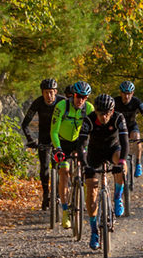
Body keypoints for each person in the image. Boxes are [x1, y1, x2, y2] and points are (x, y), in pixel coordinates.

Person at [78, 93, 128, 250]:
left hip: (113, 149)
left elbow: (125, 142)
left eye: (107, 113)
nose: (104, 117)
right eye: (101, 113)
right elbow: (81, 145)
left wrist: (120, 163)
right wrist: (85, 165)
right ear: (96, 112)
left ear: (112, 112)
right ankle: (94, 231)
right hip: (94, 154)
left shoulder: (119, 118)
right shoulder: (89, 120)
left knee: (122, 162)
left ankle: (118, 197)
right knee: (91, 192)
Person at [50, 80, 94, 228]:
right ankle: (64, 211)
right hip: (63, 142)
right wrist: (58, 148)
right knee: (64, 171)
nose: (80, 99)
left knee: (87, 168)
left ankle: (86, 198)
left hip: (80, 142)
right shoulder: (61, 106)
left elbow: (94, 132)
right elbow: (54, 131)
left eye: (84, 97)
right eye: (78, 96)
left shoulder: (89, 108)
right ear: (73, 95)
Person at [22, 78, 63, 210]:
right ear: (42, 93)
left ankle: (57, 193)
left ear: (55, 92)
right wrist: (30, 140)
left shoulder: (63, 102)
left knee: (59, 167)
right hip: (44, 137)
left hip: (59, 138)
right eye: (46, 92)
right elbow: (25, 124)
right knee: (45, 167)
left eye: (51, 92)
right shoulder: (38, 102)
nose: (49, 95)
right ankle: (46, 193)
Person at [113, 80, 143, 177]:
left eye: (129, 94)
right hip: (118, 127)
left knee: (136, 137)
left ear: (132, 93)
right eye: (124, 94)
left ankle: (138, 163)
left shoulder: (136, 102)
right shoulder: (115, 102)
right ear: (120, 93)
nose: (126, 97)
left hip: (131, 126)